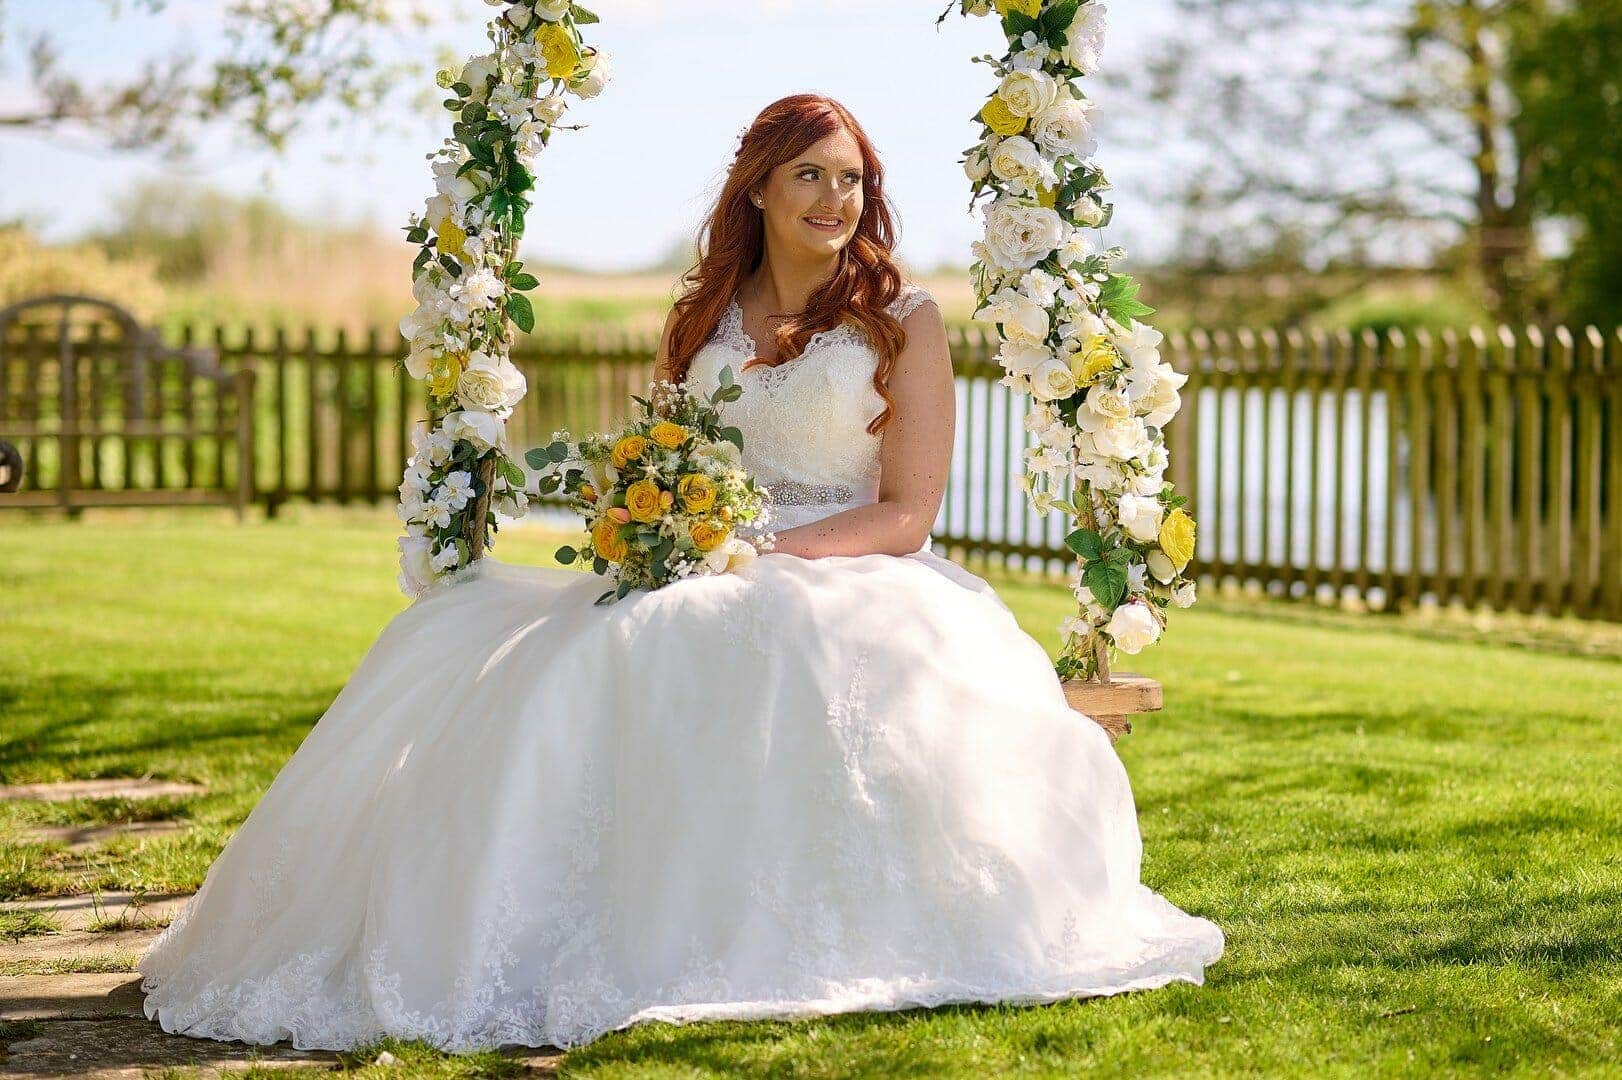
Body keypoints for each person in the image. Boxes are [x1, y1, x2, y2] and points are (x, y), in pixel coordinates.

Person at [137, 93, 1223, 1054]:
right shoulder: (703, 313)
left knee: (753, 641)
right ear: (757, 187)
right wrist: (661, 526)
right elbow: (669, 455)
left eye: (852, 180)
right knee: (546, 645)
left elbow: (905, 513)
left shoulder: (902, 320)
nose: (834, 197)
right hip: (705, 552)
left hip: (848, 565)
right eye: (810, 175)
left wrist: (761, 550)